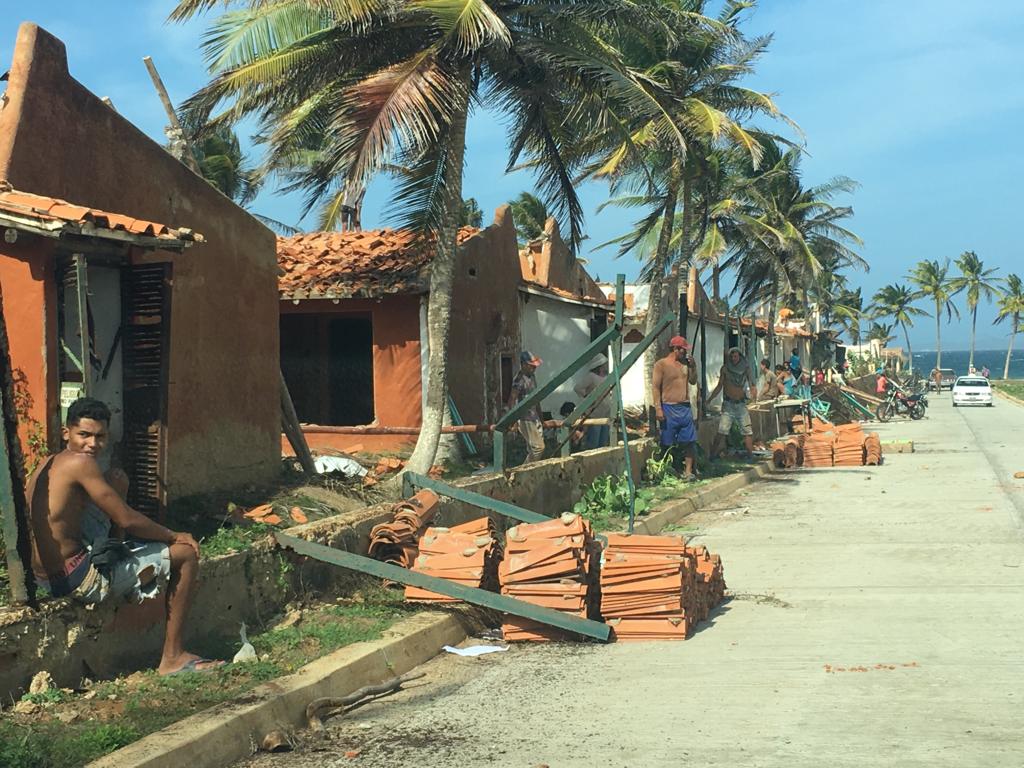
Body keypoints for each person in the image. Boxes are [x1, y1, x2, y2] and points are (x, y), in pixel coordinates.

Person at [27, 398, 222, 675]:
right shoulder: (81, 463)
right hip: (77, 578)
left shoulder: (49, 462)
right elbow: (127, 519)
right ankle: (173, 657)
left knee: (117, 481)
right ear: (66, 433)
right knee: (186, 555)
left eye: (100, 437)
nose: (92, 444)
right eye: (84, 435)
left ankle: (117, 551)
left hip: (45, 576)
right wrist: (173, 535)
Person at [652, 336, 698, 480]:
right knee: (667, 441)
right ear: (675, 349)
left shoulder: (686, 364)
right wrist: (658, 408)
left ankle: (688, 471)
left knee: (690, 441)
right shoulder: (661, 365)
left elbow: (693, 381)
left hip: (684, 406)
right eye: (683, 350)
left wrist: (693, 367)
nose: (685, 353)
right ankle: (667, 470)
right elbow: (655, 387)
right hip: (668, 407)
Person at [709, 347, 757, 460]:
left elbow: (752, 384)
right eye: (731, 356)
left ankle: (750, 455)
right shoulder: (725, 369)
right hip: (728, 405)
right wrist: (710, 399)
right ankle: (712, 455)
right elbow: (720, 386)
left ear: (740, 356)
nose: (733, 358)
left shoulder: (745, 368)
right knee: (722, 431)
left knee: (747, 431)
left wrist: (753, 397)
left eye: (735, 356)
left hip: (741, 404)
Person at [507, 350, 545, 463]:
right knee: (538, 448)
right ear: (523, 365)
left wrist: (541, 417)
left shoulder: (532, 377)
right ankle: (524, 470)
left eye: (535, 366)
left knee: (534, 450)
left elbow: (536, 398)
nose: (534, 368)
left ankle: (529, 474)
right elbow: (512, 399)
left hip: (535, 417)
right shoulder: (519, 379)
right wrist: (512, 419)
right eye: (531, 366)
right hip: (525, 418)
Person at [573, 353, 611, 450]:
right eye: (604, 364)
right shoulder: (591, 376)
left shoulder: (607, 377)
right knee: (594, 442)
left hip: (606, 412)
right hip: (595, 413)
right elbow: (578, 388)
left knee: (603, 441)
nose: (606, 366)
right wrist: (587, 397)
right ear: (600, 366)